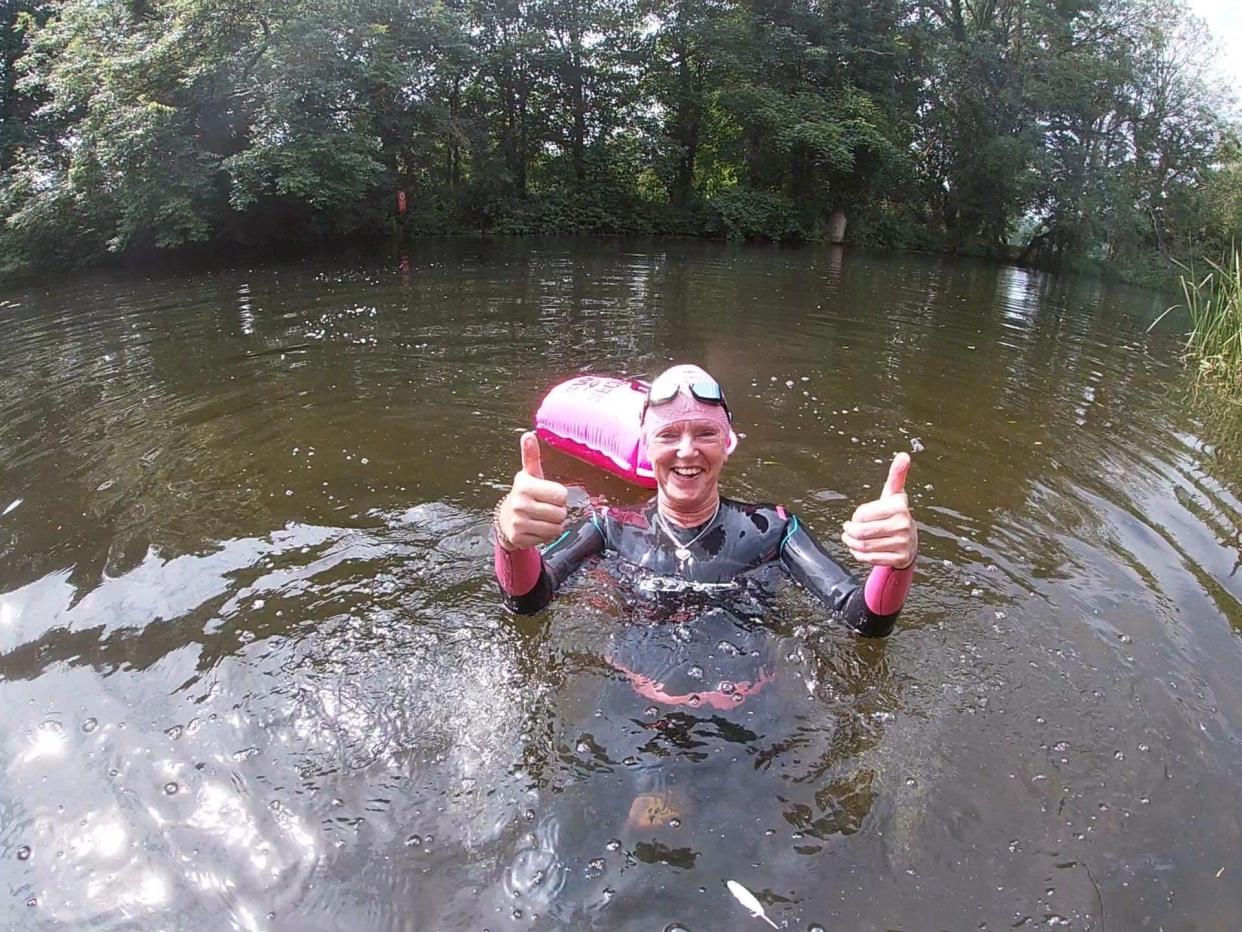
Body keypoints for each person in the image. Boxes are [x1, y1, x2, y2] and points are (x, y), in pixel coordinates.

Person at [492, 364, 917, 635]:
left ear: (727, 442)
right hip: (634, 725)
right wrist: (510, 538)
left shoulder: (773, 529)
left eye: (706, 434)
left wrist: (898, 563)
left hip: (750, 732)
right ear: (646, 445)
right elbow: (529, 602)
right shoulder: (611, 528)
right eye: (669, 435)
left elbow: (862, 619)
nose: (687, 451)